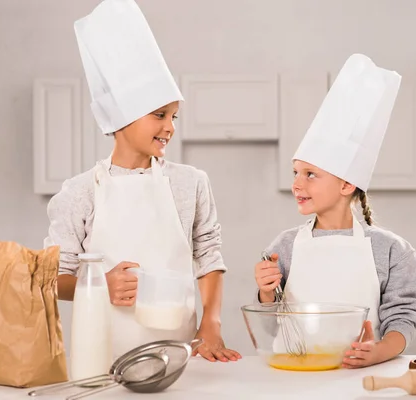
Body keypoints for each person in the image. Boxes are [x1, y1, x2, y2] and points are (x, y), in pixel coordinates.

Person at [44, 0, 241, 363]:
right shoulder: (80, 192)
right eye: (159, 115)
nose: (170, 127)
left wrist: (210, 322)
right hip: (101, 361)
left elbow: (208, 256)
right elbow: (53, 280)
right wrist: (100, 284)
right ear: (122, 118)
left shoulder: (191, 183)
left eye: (174, 116)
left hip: (180, 361)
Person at [254, 54, 416, 369]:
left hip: (360, 377)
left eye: (310, 174)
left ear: (347, 185)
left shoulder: (391, 251)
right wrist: (266, 293)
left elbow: (402, 317)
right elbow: (271, 326)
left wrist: (382, 351)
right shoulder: (283, 248)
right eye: (295, 172)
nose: (296, 184)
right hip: (294, 376)